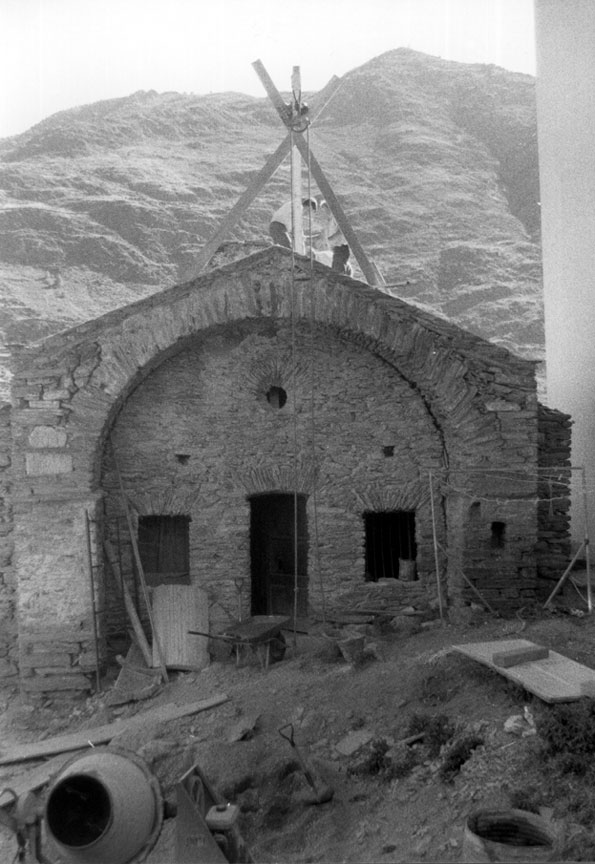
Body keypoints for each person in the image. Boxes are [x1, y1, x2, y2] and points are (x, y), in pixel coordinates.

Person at [319, 201, 351, 274]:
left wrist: (330, 239)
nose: (323, 212)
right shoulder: (328, 221)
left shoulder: (335, 219)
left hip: (341, 248)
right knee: (337, 268)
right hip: (335, 249)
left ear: (328, 208)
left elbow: (341, 231)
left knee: (338, 271)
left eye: (324, 209)